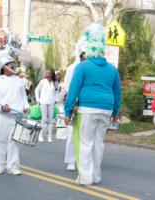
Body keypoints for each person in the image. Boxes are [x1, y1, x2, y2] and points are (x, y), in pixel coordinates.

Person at [64, 23, 121, 185]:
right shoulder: (112, 69)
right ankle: (96, 176)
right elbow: (117, 92)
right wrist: (116, 112)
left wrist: (68, 112)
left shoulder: (83, 66)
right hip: (106, 109)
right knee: (98, 143)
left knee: (85, 142)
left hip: (87, 109)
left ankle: (86, 177)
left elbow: (73, 91)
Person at [0, 56, 29, 175]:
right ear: (4, 67)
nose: (14, 66)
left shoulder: (18, 80)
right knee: (0, 141)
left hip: (17, 116)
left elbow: (23, 97)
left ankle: (13, 167)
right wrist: (1, 107)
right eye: (11, 65)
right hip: (2, 116)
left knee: (14, 142)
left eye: (14, 64)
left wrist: (26, 106)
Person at [63, 40, 86, 171]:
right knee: (72, 133)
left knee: (85, 134)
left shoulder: (91, 67)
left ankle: (82, 159)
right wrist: (73, 102)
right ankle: (71, 160)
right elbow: (67, 85)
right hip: (75, 103)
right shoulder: (72, 68)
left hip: (87, 104)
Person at [35, 69, 57, 143]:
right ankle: (40, 135)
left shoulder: (55, 82)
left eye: (49, 73)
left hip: (51, 102)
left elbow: (57, 92)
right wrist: (38, 100)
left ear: (52, 74)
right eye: (46, 72)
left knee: (51, 120)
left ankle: (49, 137)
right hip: (43, 102)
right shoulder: (43, 81)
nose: (47, 74)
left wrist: (56, 99)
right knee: (44, 119)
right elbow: (36, 90)